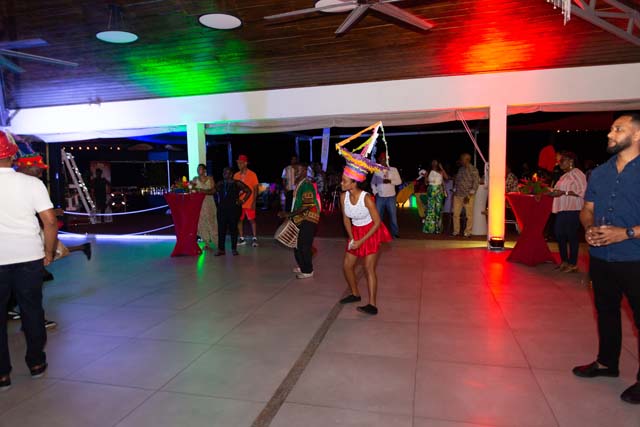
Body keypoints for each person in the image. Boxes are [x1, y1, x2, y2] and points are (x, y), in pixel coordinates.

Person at [572, 112, 640, 405]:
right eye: (611, 129)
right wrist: (588, 228)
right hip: (601, 256)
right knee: (606, 311)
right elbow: (587, 209)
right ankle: (607, 363)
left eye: (618, 129)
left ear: (637, 135)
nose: (610, 134)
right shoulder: (599, 173)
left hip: (635, 257)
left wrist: (626, 233)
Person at [0, 131, 56, 391]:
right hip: (29, 257)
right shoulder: (32, 184)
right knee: (31, 310)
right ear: (13, 155)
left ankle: (2, 374)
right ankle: (36, 363)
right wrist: (49, 251)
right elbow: (50, 221)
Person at [339, 161, 392, 316]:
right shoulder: (343, 197)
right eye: (342, 180)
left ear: (354, 183)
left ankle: (372, 305)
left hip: (371, 232)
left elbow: (377, 222)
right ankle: (355, 294)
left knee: (368, 268)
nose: (341, 183)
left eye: (344, 181)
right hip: (355, 232)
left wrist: (361, 241)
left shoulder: (366, 198)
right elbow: (346, 219)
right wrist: (352, 238)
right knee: (347, 266)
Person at [548, 151, 587, 273]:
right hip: (562, 208)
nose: (559, 163)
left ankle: (573, 263)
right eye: (559, 161)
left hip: (573, 208)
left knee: (571, 235)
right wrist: (550, 191)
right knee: (559, 234)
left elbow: (583, 191)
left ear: (571, 161)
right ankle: (564, 261)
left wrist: (563, 193)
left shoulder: (578, 173)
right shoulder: (564, 176)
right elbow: (558, 190)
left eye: (562, 160)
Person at [279, 163, 320, 279]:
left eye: (298, 170)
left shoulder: (307, 185)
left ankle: (308, 270)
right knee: (297, 244)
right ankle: (302, 266)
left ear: (305, 171)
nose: (295, 172)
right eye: (295, 170)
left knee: (303, 245)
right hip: (301, 217)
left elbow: (307, 205)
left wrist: (289, 214)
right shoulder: (299, 184)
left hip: (309, 218)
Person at [214, 167, 251, 256]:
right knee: (221, 229)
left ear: (231, 174)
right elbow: (212, 191)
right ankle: (221, 249)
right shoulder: (220, 183)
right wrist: (200, 190)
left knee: (233, 229)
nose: (224, 174)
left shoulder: (237, 183)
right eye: (223, 172)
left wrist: (243, 200)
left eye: (226, 172)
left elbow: (249, 191)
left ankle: (234, 249)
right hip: (222, 209)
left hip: (234, 209)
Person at [370, 151, 402, 238]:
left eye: (384, 159)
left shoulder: (393, 170)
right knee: (378, 217)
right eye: (381, 159)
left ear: (388, 160)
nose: (383, 161)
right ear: (379, 160)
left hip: (391, 197)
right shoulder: (377, 170)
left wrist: (390, 181)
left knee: (393, 217)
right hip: (380, 197)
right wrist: (375, 192)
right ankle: (377, 234)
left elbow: (399, 182)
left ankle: (395, 233)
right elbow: (372, 183)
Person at [234, 155, 260, 247]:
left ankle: (254, 238)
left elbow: (256, 189)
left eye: (240, 163)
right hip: (239, 203)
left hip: (249, 202)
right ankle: (242, 238)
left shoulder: (252, 174)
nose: (239, 165)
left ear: (245, 163)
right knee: (239, 220)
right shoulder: (236, 175)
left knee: (251, 220)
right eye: (238, 163)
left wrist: (254, 202)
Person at [452, 153, 480, 237]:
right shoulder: (460, 169)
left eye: (462, 159)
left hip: (467, 196)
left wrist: (470, 195)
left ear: (467, 160)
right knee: (455, 214)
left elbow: (476, 183)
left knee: (469, 215)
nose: (461, 160)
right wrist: (454, 190)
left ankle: (468, 232)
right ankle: (456, 231)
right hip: (458, 195)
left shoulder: (473, 169)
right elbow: (457, 180)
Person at [191, 164, 217, 251]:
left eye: (200, 169)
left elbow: (213, 191)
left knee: (212, 221)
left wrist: (201, 191)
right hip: (199, 204)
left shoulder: (210, 179)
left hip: (209, 203)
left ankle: (217, 242)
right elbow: (191, 190)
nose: (198, 170)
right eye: (198, 169)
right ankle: (207, 243)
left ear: (205, 170)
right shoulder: (195, 179)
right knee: (202, 223)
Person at [423, 159, 448, 234]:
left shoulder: (441, 171)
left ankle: (438, 228)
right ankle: (430, 228)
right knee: (430, 209)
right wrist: (425, 177)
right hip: (431, 190)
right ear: (431, 163)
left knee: (438, 208)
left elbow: (446, 178)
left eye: (435, 162)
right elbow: (426, 183)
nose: (434, 163)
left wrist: (442, 168)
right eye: (433, 162)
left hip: (439, 191)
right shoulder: (428, 171)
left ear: (438, 163)